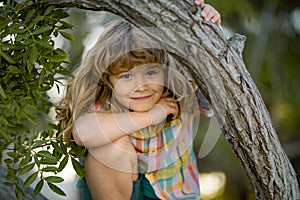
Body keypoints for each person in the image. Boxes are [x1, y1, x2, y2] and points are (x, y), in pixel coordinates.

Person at [56, 1, 221, 199]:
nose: (141, 85)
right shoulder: (107, 98)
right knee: (108, 147)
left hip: (172, 192)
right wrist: (152, 115)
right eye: (126, 76)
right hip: (116, 190)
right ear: (108, 79)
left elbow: (217, 78)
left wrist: (211, 29)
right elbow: (83, 133)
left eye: (151, 72)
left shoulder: (180, 88)